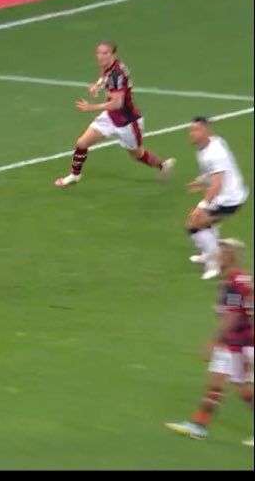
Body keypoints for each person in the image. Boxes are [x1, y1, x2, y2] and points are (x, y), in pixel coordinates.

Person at [165, 239, 253, 447]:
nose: (216, 255)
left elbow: (232, 317)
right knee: (223, 385)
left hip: (237, 343)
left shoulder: (233, 282)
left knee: (242, 389)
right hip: (237, 342)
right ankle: (198, 426)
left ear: (231, 256)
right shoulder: (242, 279)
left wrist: (213, 341)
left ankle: (198, 426)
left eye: (221, 252)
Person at [54, 41, 173, 188]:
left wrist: (91, 107)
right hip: (110, 117)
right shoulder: (109, 67)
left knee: (137, 155)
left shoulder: (118, 73)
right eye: (99, 53)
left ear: (113, 54)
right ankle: (74, 175)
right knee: (82, 143)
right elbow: (104, 77)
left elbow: (118, 103)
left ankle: (163, 165)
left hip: (128, 122)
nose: (101, 56)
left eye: (105, 53)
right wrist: (97, 86)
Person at [185, 117, 250, 280]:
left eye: (197, 130)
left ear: (207, 130)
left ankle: (214, 263)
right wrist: (201, 181)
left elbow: (217, 185)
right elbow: (213, 174)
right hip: (226, 196)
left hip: (230, 199)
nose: (192, 133)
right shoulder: (208, 145)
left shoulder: (214, 153)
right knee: (202, 223)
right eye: (191, 130)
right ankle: (211, 251)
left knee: (194, 224)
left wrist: (201, 206)